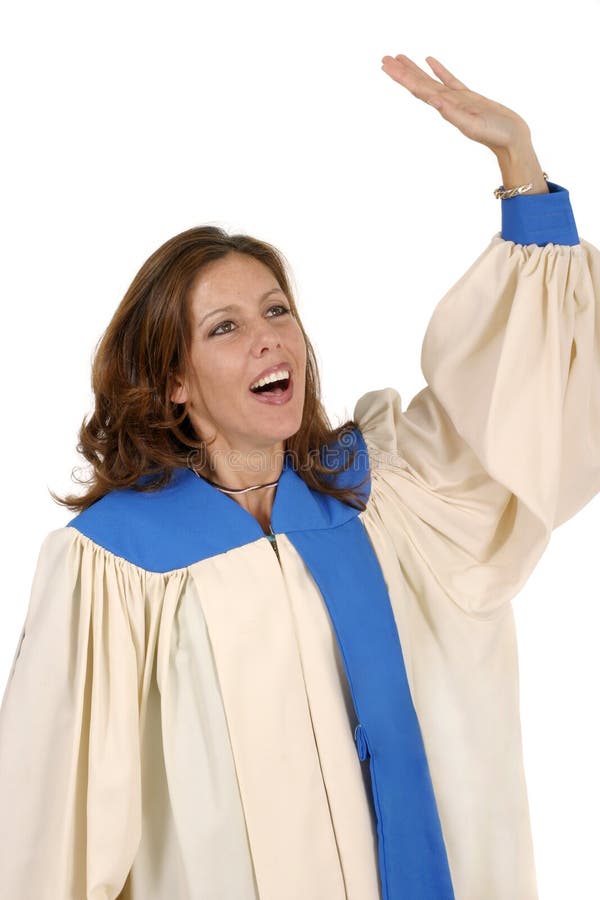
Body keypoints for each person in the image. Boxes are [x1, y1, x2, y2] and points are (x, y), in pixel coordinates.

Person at [0, 53, 597, 900]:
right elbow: (50, 834)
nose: (268, 338)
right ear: (172, 380)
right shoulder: (114, 570)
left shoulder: (379, 499)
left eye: (277, 310)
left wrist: (520, 168)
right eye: (226, 327)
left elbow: (519, 412)